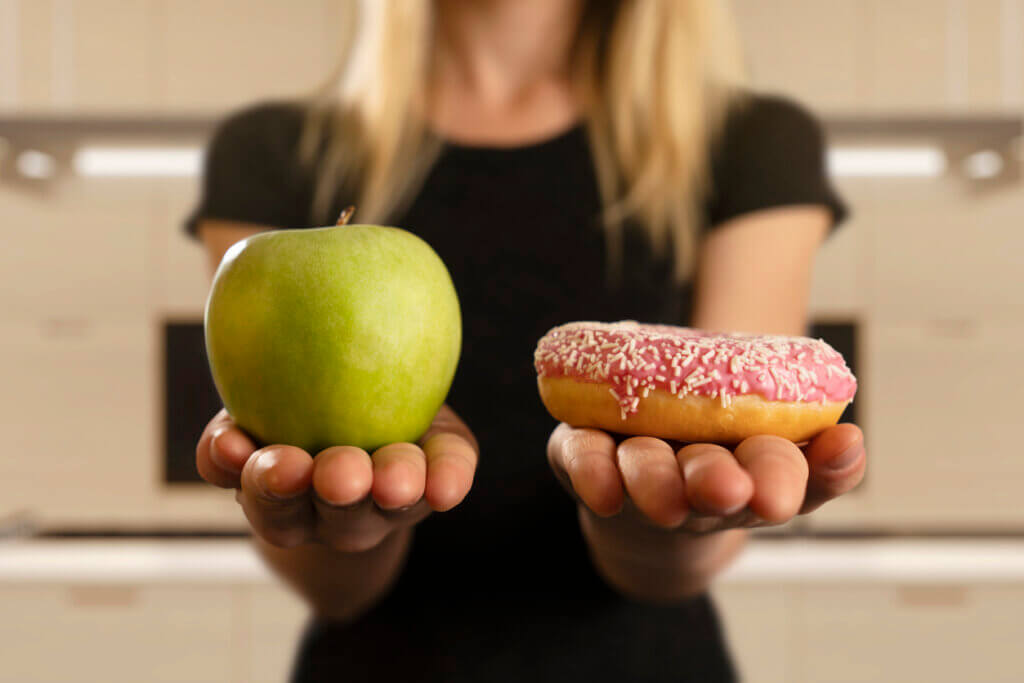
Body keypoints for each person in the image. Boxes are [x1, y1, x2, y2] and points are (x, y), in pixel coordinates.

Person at [189, 1, 867, 681]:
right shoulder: (272, 152)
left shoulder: (751, 142)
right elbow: (328, 583)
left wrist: (652, 528)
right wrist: (351, 526)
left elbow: (725, 469)